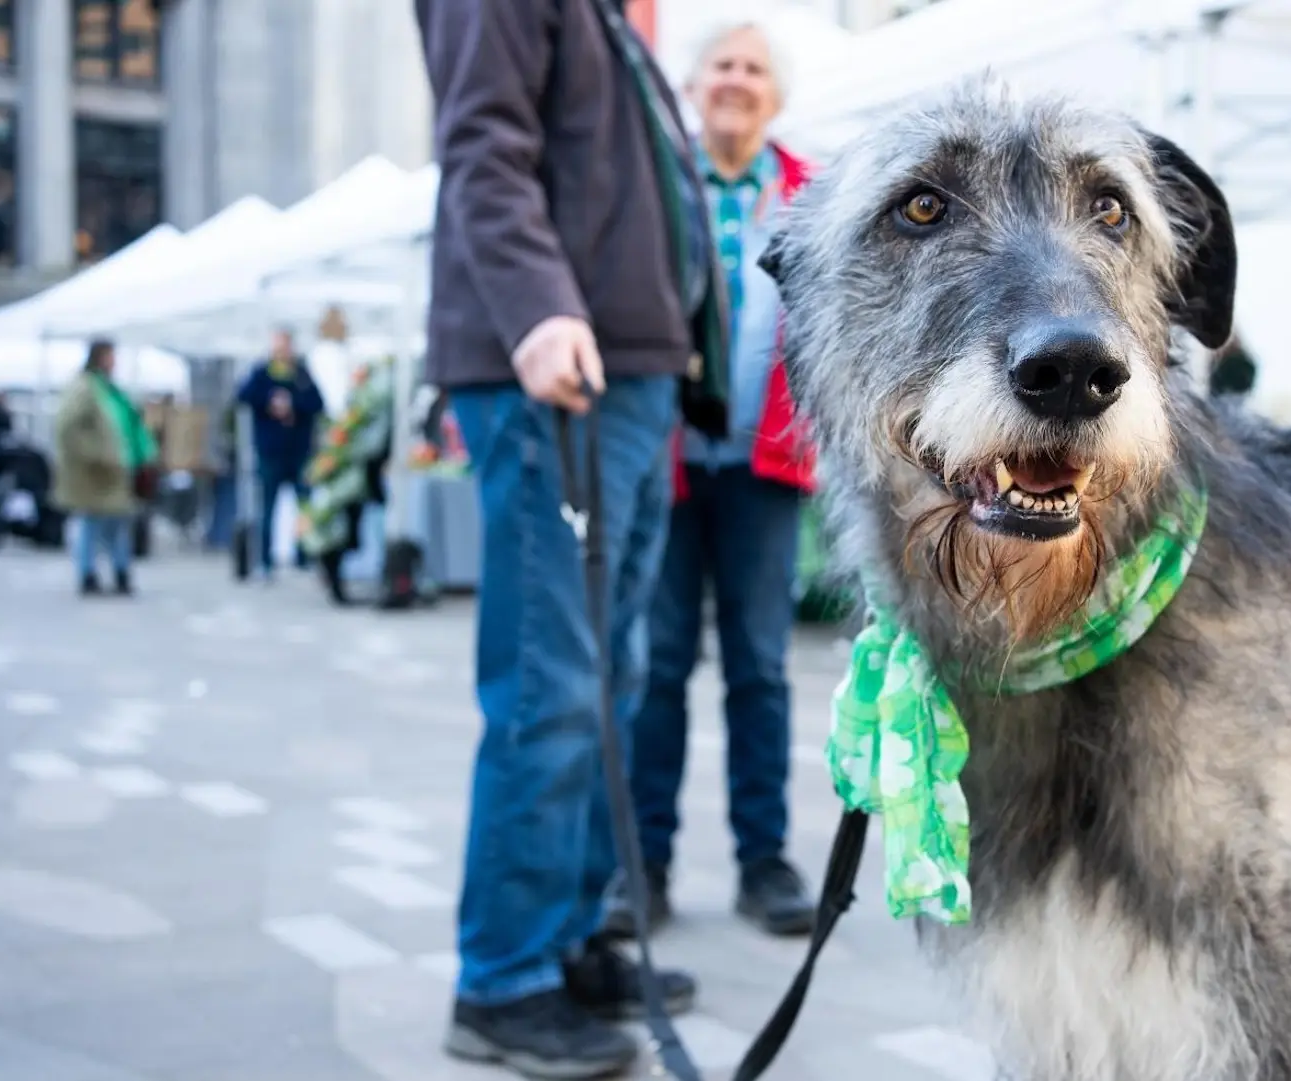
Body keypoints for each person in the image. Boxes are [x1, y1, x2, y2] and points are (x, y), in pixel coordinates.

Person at [415, 0, 728, 1076]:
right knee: (552, 682)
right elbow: (481, 145)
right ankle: (503, 978)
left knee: (610, 675)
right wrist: (539, 306)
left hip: (628, 373)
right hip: (559, 365)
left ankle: (568, 933)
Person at [605, 19, 817, 943]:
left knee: (760, 670)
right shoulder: (655, 178)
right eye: (721, 65)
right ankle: (643, 864)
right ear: (691, 86)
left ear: (775, 95)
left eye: (753, 69)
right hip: (669, 462)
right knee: (654, 669)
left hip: (768, 466)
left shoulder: (810, 193)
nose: (736, 80)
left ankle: (763, 861)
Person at [53, 340, 157, 596]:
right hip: (99, 470)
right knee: (94, 523)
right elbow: (68, 427)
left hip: (116, 469)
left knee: (116, 524)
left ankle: (119, 573)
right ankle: (89, 574)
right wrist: (93, 454)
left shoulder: (106, 388)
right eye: (111, 356)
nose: (115, 361)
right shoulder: (86, 388)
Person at [236, 327, 325, 576]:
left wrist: (292, 404)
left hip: (299, 452)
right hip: (270, 452)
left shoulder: (301, 375)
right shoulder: (261, 373)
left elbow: (318, 403)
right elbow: (243, 396)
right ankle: (265, 561)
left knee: (305, 506)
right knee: (267, 508)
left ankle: (303, 555)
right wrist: (270, 400)